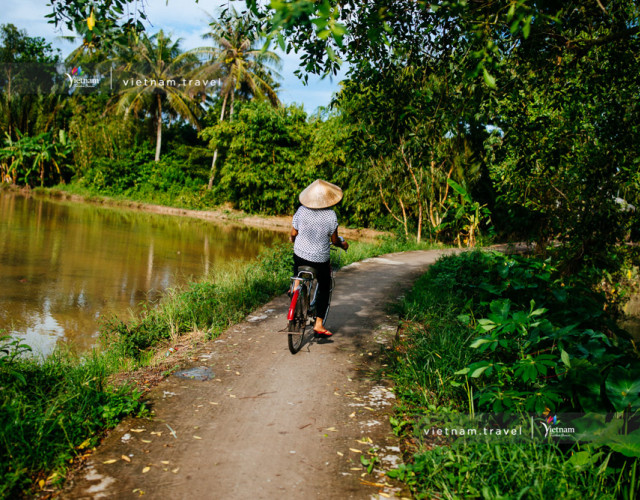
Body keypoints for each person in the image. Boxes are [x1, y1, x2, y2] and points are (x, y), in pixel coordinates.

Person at [289, 179, 349, 337]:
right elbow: (334, 240)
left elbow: (293, 233)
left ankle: (295, 287)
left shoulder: (301, 210)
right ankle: (319, 324)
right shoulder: (331, 215)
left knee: (297, 262)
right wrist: (343, 245)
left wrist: (293, 240)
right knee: (324, 286)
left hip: (300, 255)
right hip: (320, 259)